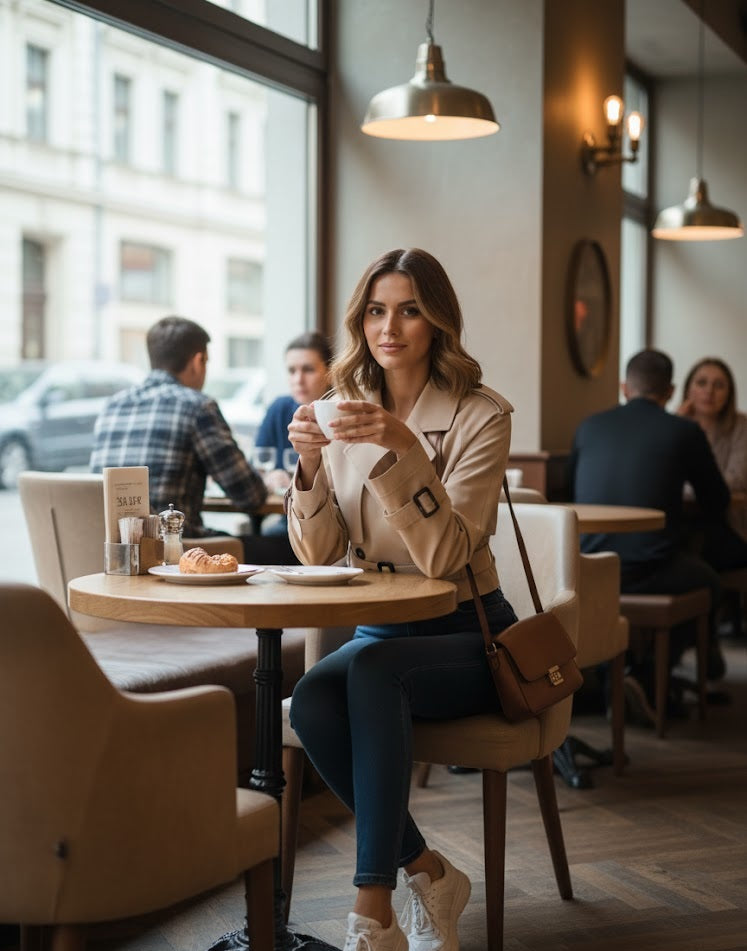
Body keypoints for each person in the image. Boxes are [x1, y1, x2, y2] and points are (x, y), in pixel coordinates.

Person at [285, 248, 517, 951]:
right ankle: (429, 871)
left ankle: (372, 910)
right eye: (376, 311)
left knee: (370, 673)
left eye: (410, 310)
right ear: (361, 321)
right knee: (309, 699)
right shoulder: (341, 409)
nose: (389, 327)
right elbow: (318, 554)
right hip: (379, 632)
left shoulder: (481, 414)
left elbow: (447, 557)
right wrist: (308, 464)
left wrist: (402, 449)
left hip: (469, 630)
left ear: (438, 320)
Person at [569, 348, 731, 722]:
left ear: (624, 387)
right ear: (671, 392)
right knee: (709, 583)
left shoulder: (588, 427)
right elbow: (717, 501)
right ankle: (647, 675)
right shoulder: (684, 431)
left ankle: (612, 678)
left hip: (588, 568)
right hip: (648, 570)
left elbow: (575, 490)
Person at [90, 315, 293, 564]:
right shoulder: (197, 407)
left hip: (116, 556)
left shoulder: (112, 407)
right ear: (198, 361)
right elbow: (249, 495)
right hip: (176, 553)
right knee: (290, 548)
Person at [253, 331, 332, 537]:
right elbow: (258, 463)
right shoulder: (279, 409)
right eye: (291, 371)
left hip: (331, 521)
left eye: (308, 370)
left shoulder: (340, 412)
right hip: (290, 518)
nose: (298, 379)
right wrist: (270, 476)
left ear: (330, 371)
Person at [678, 357, 747, 557]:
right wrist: (675, 422)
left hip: (728, 522)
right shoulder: (675, 424)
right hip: (680, 518)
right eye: (702, 383)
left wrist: (691, 490)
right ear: (688, 390)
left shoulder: (741, 426)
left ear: (729, 394)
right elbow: (659, 476)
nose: (709, 391)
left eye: (719, 385)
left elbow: (737, 478)